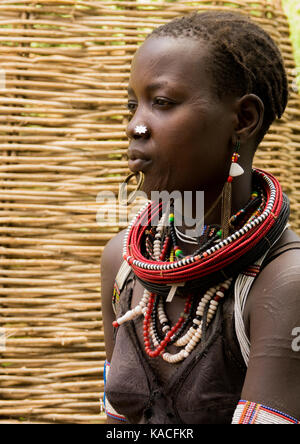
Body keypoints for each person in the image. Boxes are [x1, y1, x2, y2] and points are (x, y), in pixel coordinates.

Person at [101, 11, 300, 424]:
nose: (135, 126)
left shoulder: (284, 283)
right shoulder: (122, 263)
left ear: (244, 119)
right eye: (131, 105)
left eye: (162, 102)